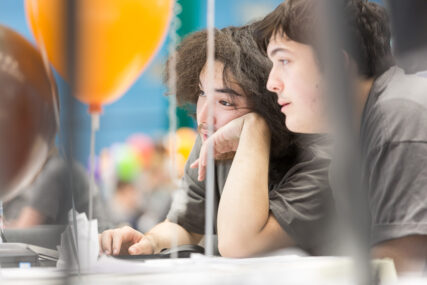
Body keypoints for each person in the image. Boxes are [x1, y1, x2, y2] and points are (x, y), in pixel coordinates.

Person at [99, 23, 333, 257]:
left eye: (225, 102)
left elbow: (240, 244)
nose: (203, 117)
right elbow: (185, 225)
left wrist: (255, 127)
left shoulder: (321, 162)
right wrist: (149, 242)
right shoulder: (214, 140)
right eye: (202, 93)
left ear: (272, 102)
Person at [254, 0, 427, 273]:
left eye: (284, 60)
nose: (271, 82)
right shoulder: (352, 145)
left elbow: (403, 265)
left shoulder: (399, 116)